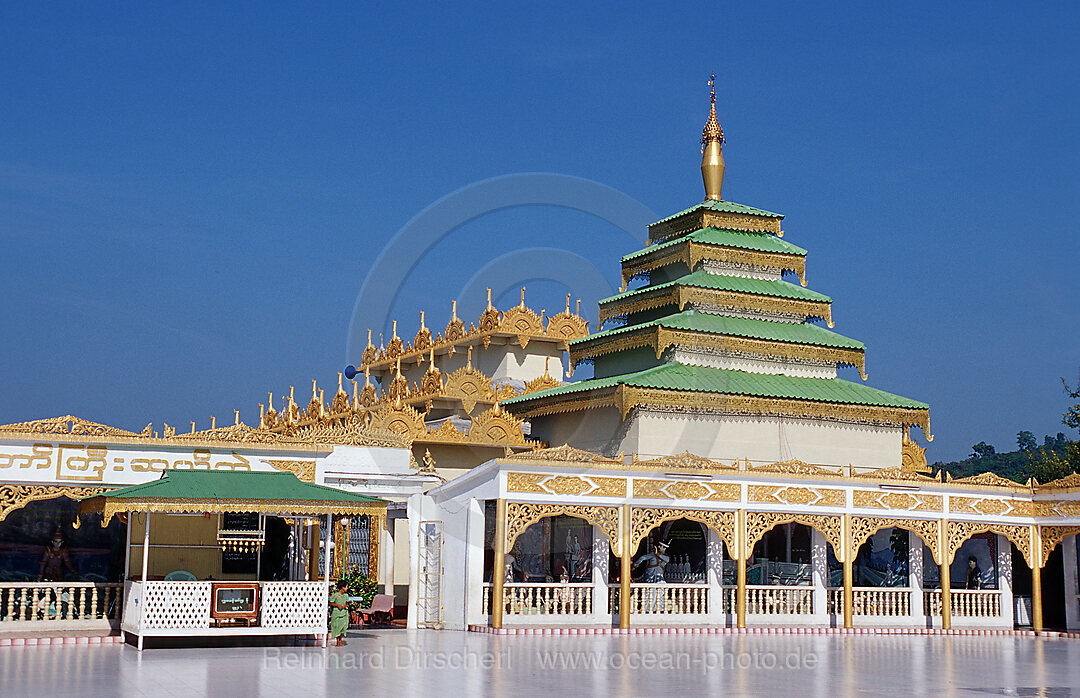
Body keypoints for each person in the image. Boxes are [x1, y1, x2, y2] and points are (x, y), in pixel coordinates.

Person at [329, 580, 350, 646]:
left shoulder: (346, 596)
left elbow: (346, 603)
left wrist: (345, 606)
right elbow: (331, 602)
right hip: (337, 613)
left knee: (344, 626)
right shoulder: (335, 595)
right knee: (337, 627)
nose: (347, 588)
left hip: (344, 613)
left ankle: (340, 639)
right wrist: (337, 605)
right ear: (342, 587)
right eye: (346, 587)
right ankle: (338, 640)